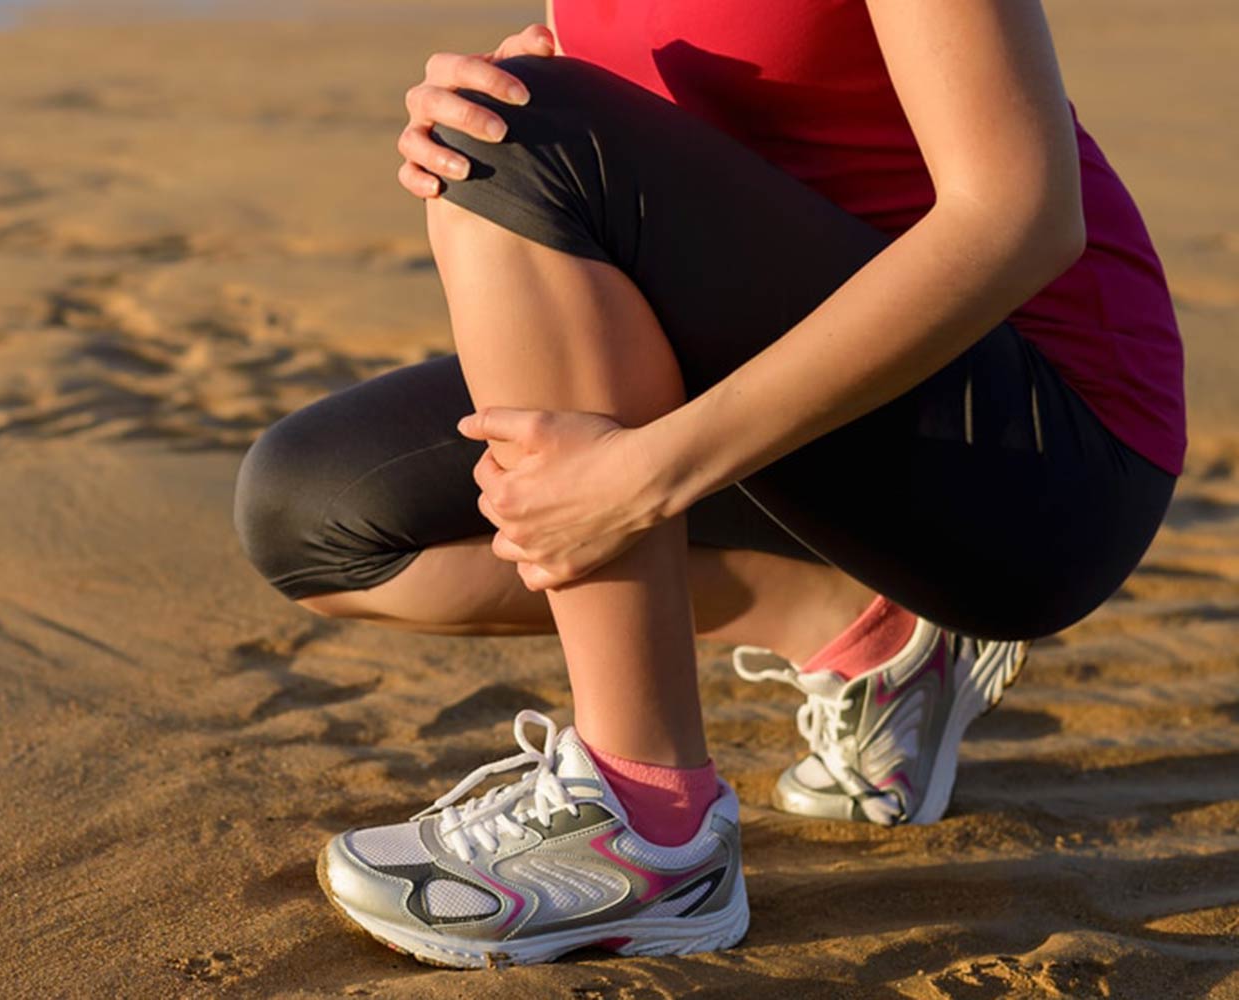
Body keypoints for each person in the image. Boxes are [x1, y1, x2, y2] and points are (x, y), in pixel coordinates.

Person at [231, 0, 1183, 969]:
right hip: (818, 411)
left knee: (524, 138)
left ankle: (651, 830)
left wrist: (649, 471)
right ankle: (863, 628)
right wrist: (515, 92)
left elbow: (1021, 216)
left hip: (1042, 451)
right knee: (315, 513)